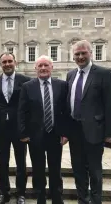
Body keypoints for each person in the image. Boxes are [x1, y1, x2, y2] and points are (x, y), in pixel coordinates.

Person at [65, 40, 111, 204]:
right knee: (78, 170)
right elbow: (68, 103)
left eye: (83, 53)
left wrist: (109, 134)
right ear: (73, 56)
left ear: (90, 53)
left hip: (94, 131)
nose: (80, 56)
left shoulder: (103, 73)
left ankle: (95, 201)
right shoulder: (71, 75)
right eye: (77, 54)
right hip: (74, 131)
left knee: (94, 171)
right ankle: (82, 200)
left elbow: (110, 106)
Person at [18, 55, 68, 204]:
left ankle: (57, 197)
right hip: (35, 136)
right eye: (40, 66)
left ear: (52, 67)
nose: (43, 68)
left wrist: (66, 133)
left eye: (46, 65)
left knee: (55, 168)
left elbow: (66, 111)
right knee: (38, 169)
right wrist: (23, 133)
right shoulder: (27, 86)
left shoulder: (62, 85)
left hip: (56, 134)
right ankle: (40, 197)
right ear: (35, 69)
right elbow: (22, 111)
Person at [0, 52, 30, 204]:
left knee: (21, 162)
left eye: (9, 61)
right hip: (1, 129)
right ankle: (4, 193)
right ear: (0, 64)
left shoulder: (25, 81)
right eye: (4, 62)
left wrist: (27, 129)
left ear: (15, 62)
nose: (7, 64)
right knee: (2, 162)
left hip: (19, 129)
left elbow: (28, 107)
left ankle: (21, 193)